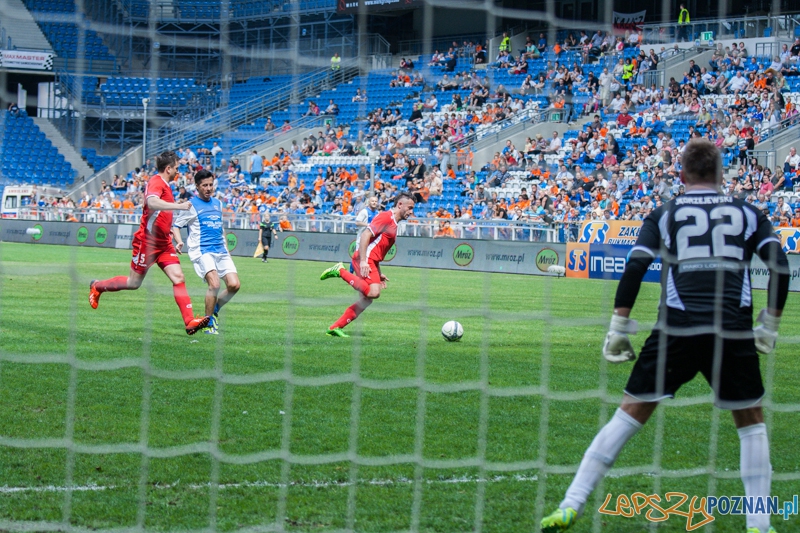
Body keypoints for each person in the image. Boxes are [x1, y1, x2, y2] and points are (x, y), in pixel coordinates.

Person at [540, 139, 790, 533]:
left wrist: (619, 326)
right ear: (720, 174)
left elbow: (636, 266)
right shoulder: (748, 212)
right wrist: (770, 325)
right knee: (750, 421)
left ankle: (570, 504)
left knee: (629, 413)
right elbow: (781, 267)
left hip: (677, 327)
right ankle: (759, 524)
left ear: (682, 174)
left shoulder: (665, 213)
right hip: (731, 328)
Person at [88, 151, 210, 335]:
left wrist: (171, 233)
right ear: (168, 169)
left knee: (178, 277)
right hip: (147, 243)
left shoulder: (166, 185)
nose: (178, 172)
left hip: (164, 243)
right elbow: (152, 202)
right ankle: (97, 286)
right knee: (133, 283)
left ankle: (189, 322)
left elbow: (159, 215)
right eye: (176, 168)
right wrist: (179, 206)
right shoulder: (156, 182)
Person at [319, 193, 416, 337]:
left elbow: (377, 249)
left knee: (367, 300)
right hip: (364, 258)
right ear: (400, 204)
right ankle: (340, 271)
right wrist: (363, 261)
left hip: (371, 261)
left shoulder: (394, 223)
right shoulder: (386, 217)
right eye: (410, 208)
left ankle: (335, 327)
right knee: (373, 292)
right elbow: (365, 235)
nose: (411, 211)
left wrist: (379, 273)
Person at [171, 170, 240, 335]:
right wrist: (179, 241)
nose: (209, 188)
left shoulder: (218, 204)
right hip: (202, 250)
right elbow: (176, 226)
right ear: (197, 186)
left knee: (234, 285)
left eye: (211, 185)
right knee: (214, 284)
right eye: (205, 185)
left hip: (220, 249)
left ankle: (214, 309)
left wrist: (226, 249)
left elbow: (220, 228)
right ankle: (208, 323)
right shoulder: (191, 205)